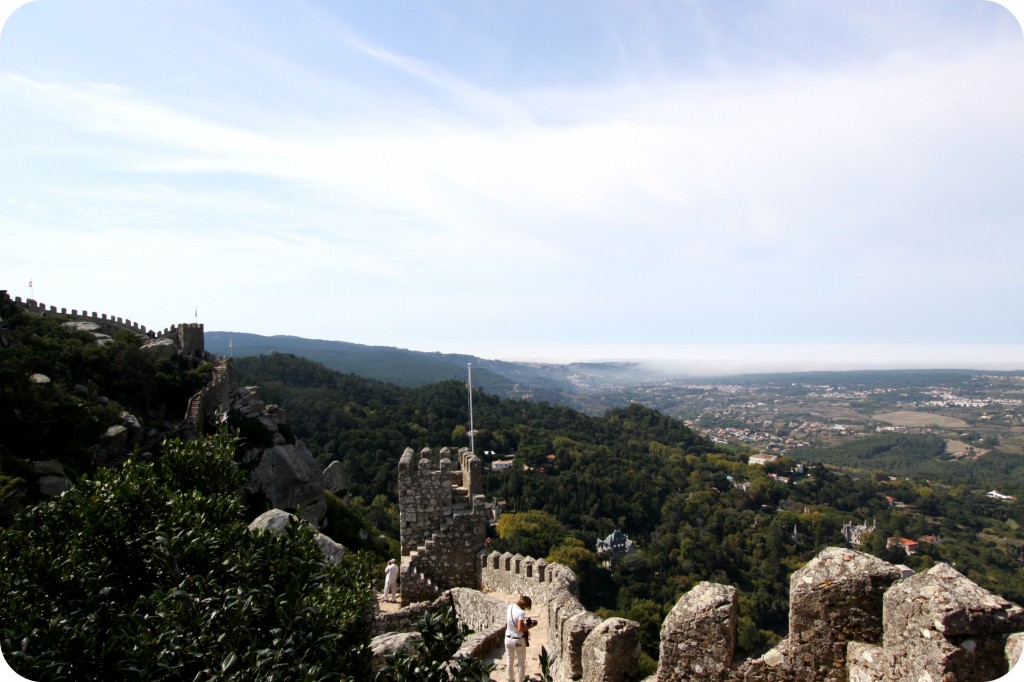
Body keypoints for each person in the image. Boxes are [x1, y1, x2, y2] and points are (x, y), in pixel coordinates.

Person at [504, 595, 534, 682]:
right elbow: (520, 628)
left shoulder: (510, 606)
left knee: (509, 661)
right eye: (527, 607)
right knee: (521, 663)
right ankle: (521, 680)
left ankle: (511, 680)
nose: (526, 609)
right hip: (518, 640)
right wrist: (530, 626)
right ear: (525, 605)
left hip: (508, 638)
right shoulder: (521, 613)